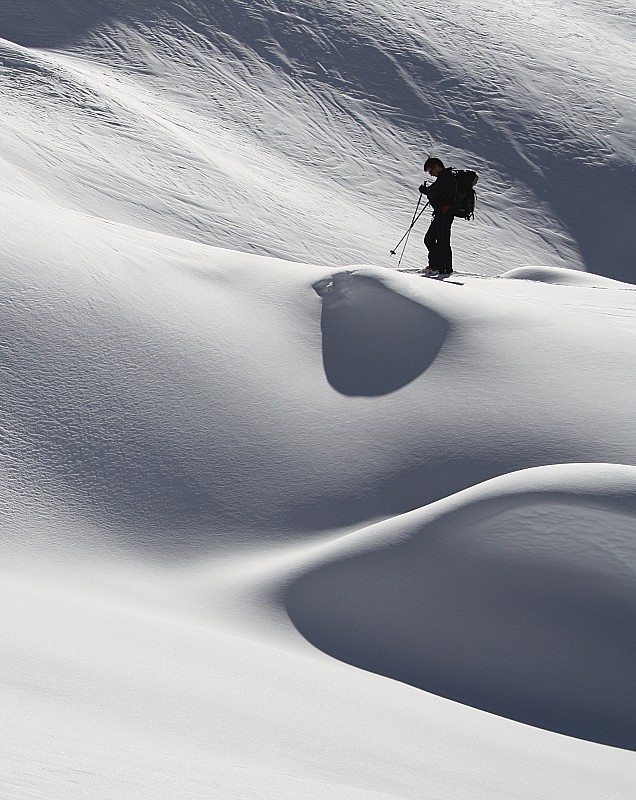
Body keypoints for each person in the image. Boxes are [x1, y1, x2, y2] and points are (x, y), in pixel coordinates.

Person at [418, 157, 455, 277]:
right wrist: (428, 191)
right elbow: (435, 192)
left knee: (442, 241)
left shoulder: (446, 177)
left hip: (445, 214)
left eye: (431, 170)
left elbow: (435, 192)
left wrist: (426, 191)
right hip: (441, 214)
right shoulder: (443, 178)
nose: (431, 174)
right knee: (430, 239)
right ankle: (436, 266)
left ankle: (444, 269)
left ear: (437, 166)